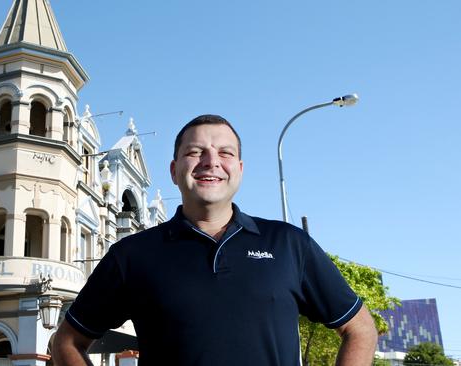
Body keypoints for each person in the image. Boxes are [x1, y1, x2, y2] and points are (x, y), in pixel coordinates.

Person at [53, 115, 378, 365]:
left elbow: (360, 329)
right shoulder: (131, 254)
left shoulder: (288, 244)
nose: (211, 162)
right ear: (174, 169)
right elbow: (66, 341)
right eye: (196, 152)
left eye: (225, 152)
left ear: (238, 168)